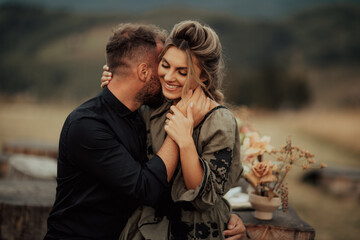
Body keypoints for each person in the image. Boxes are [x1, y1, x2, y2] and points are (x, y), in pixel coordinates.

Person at [44, 23, 245, 240]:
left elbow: (203, 194)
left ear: (203, 76)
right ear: (143, 71)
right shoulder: (93, 124)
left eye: (181, 71)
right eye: (164, 65)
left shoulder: (156, 112)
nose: (167, 77)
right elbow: (147, 187)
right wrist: (180, 131)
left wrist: (222, 214)